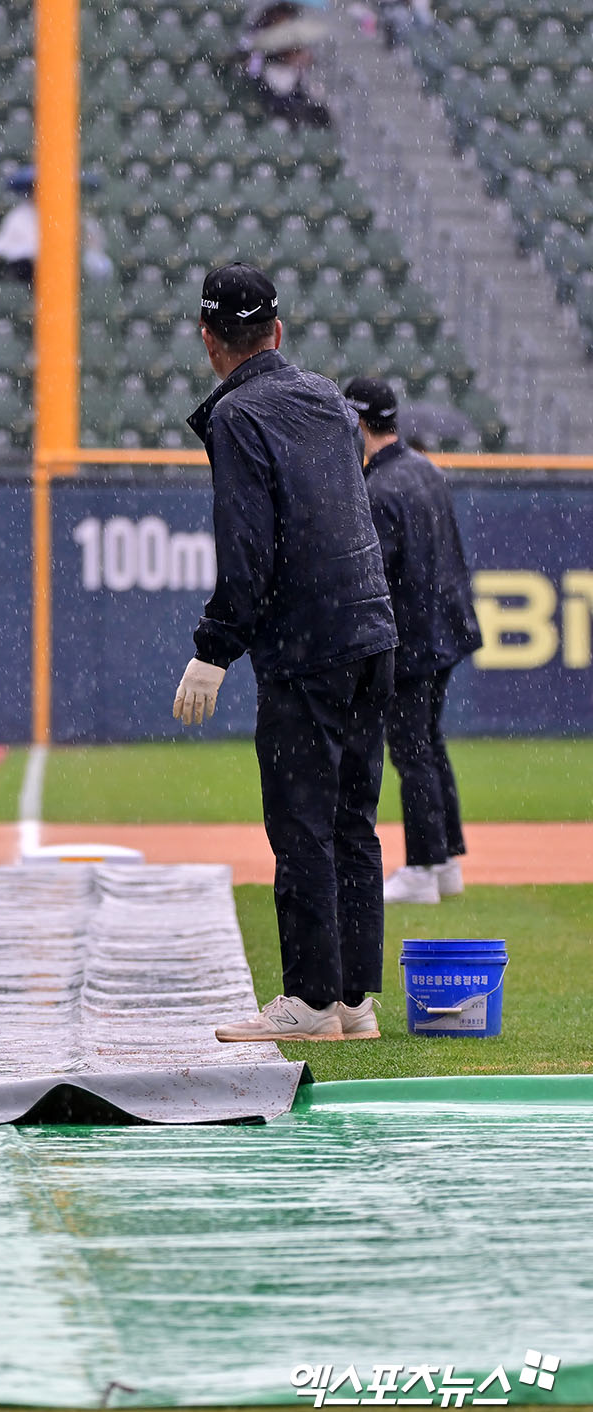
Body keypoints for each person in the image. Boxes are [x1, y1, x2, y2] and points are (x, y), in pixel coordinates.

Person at [172, 263, 398, 1044]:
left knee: (302, 823)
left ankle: (308, 1000)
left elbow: (248, 550)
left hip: (309, 645)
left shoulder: (240, 417)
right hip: (374, 633)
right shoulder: (331, 400)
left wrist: (213, 649)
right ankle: (353, 1001)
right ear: (280, 330)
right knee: (352, 823)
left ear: (209, 342)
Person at [343, 377, 482, 905]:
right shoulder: (424, 469)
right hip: (444, 631)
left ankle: (424, 867)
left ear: (358, 424)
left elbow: (379, 574)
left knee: (411, 750)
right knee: (429, 743)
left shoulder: (380, 488)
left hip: (413, 640)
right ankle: (445, 861)